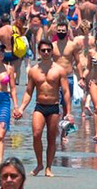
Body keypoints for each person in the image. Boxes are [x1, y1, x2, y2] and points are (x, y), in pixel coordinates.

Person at [14, 39, 73, 177]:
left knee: (51, 138)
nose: (46, 52)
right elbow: (29, 91)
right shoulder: (34, 71)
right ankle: (39, 163)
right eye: (43, 50)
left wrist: (68, 112)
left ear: (52, 51)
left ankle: (48, 167)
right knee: (36, 134)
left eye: (48, 50)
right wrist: (21, 108)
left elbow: (65, 92)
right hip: (40, 106)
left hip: (53, 107)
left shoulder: (59, 70)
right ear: (39, 52)